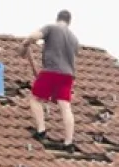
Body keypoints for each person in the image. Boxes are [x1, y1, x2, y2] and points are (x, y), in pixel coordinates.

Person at [20, 10, 80, 153]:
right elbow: (73, 57)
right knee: (65, 106)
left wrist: (26, 42)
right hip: (68, 75)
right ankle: (68, 141)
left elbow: (35, 36)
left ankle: (41, 130)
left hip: (51, 70)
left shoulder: (51, 28)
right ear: (69, 22)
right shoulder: (74, 38)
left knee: (35, 99)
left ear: (57, 18)